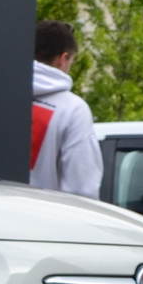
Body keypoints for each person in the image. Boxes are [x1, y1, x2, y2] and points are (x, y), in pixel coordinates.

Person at [29, 20, 101, 197]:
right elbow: (82, 188)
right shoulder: (73, 110)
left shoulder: (0, 93)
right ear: (63, 59)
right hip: (41, 219)